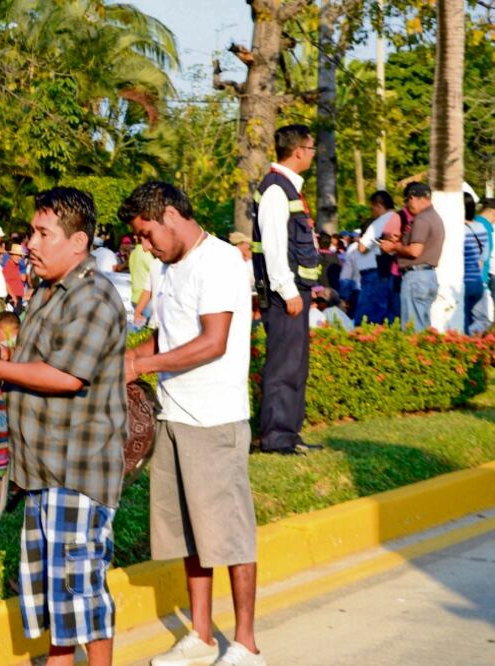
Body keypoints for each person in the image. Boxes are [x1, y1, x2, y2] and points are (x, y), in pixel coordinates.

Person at [0, 187, 127, 666]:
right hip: (44, 472)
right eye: (32, 231)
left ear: (78, 243)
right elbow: (39, 362)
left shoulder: (94, 296)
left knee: (82, 595)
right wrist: (3, 361)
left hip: (77, 473)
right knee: (57, 597)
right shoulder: (48, 291)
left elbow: (66, 375)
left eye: (43, 233)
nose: (30, 242)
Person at [121, 182, 264, 666]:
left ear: (169, 215)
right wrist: (122, 360)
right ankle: (201, 635)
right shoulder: (167, 267)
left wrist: (141, 367)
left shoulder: (220, 261)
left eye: (146, 234)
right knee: (188, 535)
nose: (144, 245)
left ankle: (245, 643)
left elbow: (212, 342)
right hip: (174, 415)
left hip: (215, 419)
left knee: (230, 533)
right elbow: (166, 336)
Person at [252, 124, 322, 455]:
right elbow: (274, 245)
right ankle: (276, 437)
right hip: (285, 295)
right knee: (283, 365)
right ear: (297, 152)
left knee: (296, 364)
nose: (312, 155)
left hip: (293, 291)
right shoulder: (277, 190)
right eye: (311, 149)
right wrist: (287, 288)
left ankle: (290, 433)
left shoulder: (286, 188)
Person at [379, 182, 444, 332]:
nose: (407, 206)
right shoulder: (436, 217)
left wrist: (393, 246)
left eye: (407, 201)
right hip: (429, 276)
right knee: (422, 325)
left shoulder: (421, 219)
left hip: (416, 277)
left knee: (412, 328)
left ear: (413, 197)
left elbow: (415, 251)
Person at [354, 190, 400, 325]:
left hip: (374, 273)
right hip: (387, 272)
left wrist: (360, 240)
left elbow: (362, 247)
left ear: (379, 205)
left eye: (372, 208)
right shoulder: (398, 218)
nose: (371, 212)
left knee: (367, 316)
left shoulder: (381, 221)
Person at [463, 193, 491, 333]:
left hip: (464, 282)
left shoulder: (458, 230)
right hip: (478, 281)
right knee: (480, 322)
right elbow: (483, 258)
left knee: (463, 321)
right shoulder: (481, 227)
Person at [3, 243, 28, 312]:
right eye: (17, 255)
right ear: (11, 255)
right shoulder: (8, 267)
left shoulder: (16, 266)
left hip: (17, 297)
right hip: (13, 298)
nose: (19, 258)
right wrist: (13, 296)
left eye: (20, 256)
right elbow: (5, 283)